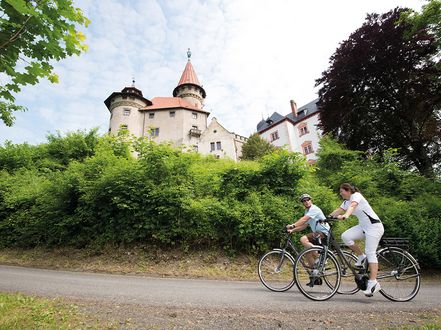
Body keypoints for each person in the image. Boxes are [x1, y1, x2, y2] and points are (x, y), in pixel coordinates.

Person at [329, 183, 384, 297]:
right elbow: (338, 210)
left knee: (370, 252)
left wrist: (346, 215)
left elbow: (352, 206)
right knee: (346, 236)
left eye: (341, 191)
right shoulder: (346, 202)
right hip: (363, 227)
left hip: (374, 227)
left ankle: (373, 282)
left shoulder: (356, 196)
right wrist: (326, 218)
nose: (340, 193)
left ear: (348, 190)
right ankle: (361, 256)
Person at [286, 193, 329, 286]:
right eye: (304, 201)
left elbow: (304, 219)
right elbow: (304, 225)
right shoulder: (307, 211)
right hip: (317, 233)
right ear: (303, 203)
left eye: (307, 199)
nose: (306, 202)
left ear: (311, 200)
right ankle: (316, 277)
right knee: (308, 254)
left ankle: (320, 257)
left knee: (303, 239)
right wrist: (292, 230)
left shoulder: (314, 209)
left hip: (323, 233)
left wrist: (293, 225)